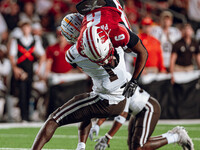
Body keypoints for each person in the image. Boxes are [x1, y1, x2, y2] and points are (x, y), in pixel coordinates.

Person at [31, 0, 148, 149]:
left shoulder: (73, 55)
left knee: (54, 119)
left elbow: (80, 51)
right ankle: (81, 146)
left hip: (105, 100)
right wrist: (134, 81)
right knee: (85, 104)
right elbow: (139, 48)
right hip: (119, 96)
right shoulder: (114, 33)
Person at [90, 77, 194, 150]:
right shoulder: (112, 78)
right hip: (138, 112)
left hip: (147, 108)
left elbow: (122, 115)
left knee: (139, 147)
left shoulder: (119, 81)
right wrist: (98, 124)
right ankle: (175, 136)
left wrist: (108, 137)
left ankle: (177, 136)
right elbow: (112, 108)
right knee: (133, 146)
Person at [9, 18, 45, 121]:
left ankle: (28, 115)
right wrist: (15, 68)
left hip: (30, 69)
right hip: (21, 69)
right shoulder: (17, 40)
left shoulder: (35, 40)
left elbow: (42, 54)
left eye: (27, 27)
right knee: (22, 92)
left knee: (29, 92)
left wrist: (38, 67)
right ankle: (23, 116)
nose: (26, 29)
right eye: (24, 27)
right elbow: (12, 56)